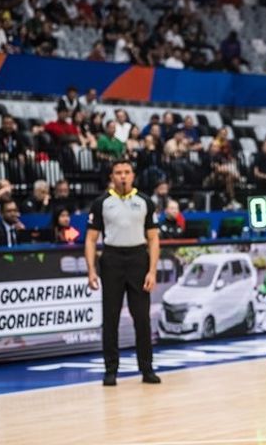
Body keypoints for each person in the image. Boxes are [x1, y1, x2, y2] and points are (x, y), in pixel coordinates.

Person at [85, 159, 161, 387]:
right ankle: (111, 370)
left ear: (133, 175)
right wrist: (91, 270)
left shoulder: (145, 201)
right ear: (112, 176)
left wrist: (152, 271)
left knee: (142, 318)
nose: (123, 176)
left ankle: (146, 369)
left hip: (138, 258)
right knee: (111, 318)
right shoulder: (101, 203)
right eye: (118, 172)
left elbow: (154, 238)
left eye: (127, 172)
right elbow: (90, 239)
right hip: (112, 259)